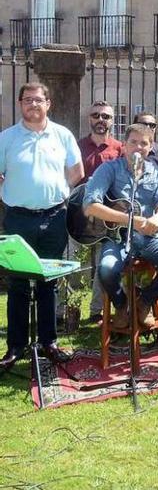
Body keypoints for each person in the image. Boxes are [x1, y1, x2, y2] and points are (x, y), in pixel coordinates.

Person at [0, 83, 83, 368]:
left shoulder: (62, 135)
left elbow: (77, 172)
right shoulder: (7, 138)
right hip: (18, 219)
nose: (33, 105)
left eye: (38, 100)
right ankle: (15, 347)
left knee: (49, 282)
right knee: (18, 284)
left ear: (49, 103)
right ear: (20, 104)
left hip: (54, 217)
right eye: (27, 100)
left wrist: (58, 191)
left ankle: (49, 342)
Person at [83, 123, 158, 335]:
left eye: (144, 143)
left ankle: (143, 301)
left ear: (150, 148)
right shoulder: (109, 169)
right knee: (107, 270)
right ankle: (121, 305)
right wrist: (127, 219)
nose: (138, 147)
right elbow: (89, 205)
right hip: (116, 237)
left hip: (148, 237)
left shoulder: (156, 173)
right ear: (125, 145)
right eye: (134, 142)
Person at [76, 100, 124, 322]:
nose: (100, 120)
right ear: (89, 119)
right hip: (79, 215)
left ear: (112, 121)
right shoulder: (76, 147)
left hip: (107, 217)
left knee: (103, 262)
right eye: (96, 115)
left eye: (105, 116)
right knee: (73, 262)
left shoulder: (120, 149)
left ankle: (96, 311)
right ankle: (66, 312)